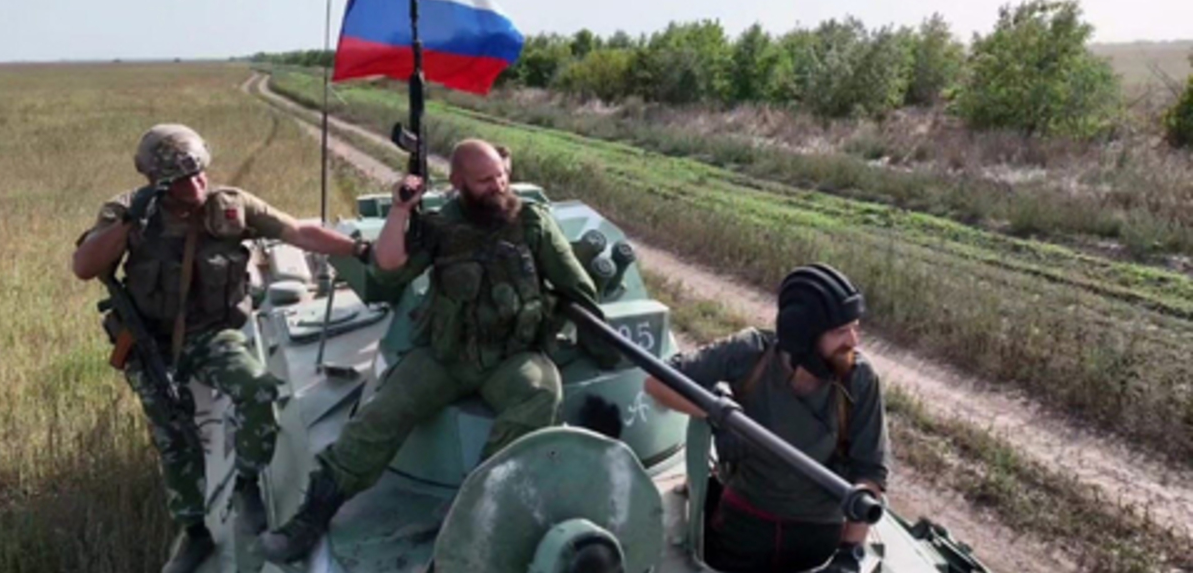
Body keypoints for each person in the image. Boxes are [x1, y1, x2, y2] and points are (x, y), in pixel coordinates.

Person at [260, 138, 613, 563]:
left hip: (511, 356)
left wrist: (601, 343)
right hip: (447, 356)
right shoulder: (440, 226)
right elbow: (388, 271)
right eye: (485, 180)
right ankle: (310, 517)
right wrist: (400, 211)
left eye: (502, 175)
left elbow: (577, 285)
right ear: (459, 182)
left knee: (540, 393)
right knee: (381, 413)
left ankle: (477, 506)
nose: (498, 185)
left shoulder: (531, 221)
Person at [72, 123, 367, 573]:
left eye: (201, 174)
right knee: (174, 437)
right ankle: (195, 533)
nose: (197, 185)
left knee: (259, 389)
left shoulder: (230, 206)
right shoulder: (127, 211)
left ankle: (247, 482)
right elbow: (85, 265)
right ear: (156, 182)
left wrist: (359, 250)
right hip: (151, 340)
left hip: (213, 334)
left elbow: (297, 233)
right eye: (183, 180)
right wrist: (132, 220)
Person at [644, 264, 890, 573]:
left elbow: (871, 471)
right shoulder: (751, 354)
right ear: (803, 334)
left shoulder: (859, 379)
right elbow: (657, 382)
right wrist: (718, 414)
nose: (853, 341)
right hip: (744, 522)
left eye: (855, 327)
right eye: (841, 331)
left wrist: (849, 552)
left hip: (818, 530)